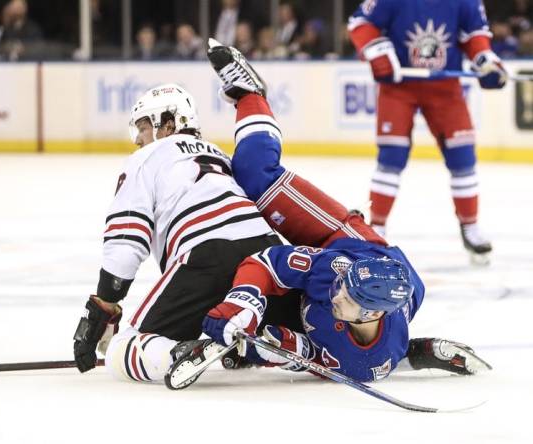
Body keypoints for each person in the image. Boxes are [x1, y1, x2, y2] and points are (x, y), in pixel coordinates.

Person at [186, 40, 490, 383]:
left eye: (346, 296)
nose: (336, 292)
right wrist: (245, 301)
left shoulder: (369, 352)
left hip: (377, 313)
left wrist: (262, 349)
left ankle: (416, 353)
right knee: (254, 176)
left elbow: (310, 355)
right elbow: (267, 263)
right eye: (343, 288)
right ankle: (250, 93)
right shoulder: (336, 272)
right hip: (344, 239)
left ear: (368, 314)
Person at [72, 83, 282, 382]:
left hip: (206, 253)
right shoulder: (220, 155)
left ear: (168, 124)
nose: (139, 140)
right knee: (286, 322)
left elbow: (126, 239)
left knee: (125, 347)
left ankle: (178, 353)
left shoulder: (146, 158)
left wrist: (104, 306)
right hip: (267, 254)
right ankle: (262, 339)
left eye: (144, 128)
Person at [348, 0, 507, 264]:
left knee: (463, 158)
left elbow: (474, 35)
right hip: (399, 88)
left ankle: (470, 227)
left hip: (445, 88)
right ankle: (376, 228)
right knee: (391, 158)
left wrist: (485, 60)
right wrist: (377, 51)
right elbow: (361, 23)